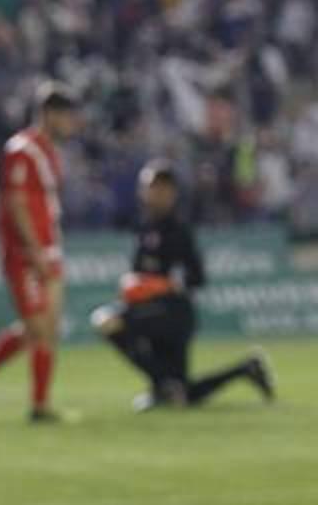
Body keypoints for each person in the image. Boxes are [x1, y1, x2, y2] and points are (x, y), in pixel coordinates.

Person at [90, 161, 275, 410]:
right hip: (148, 310)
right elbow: (138, 275)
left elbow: (197, 277)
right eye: (151, 188)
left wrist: (162, 285)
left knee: (107, 321)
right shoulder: (144, 227)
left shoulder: (178, 230)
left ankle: (164, 385)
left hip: (173, 314)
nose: (156, 194)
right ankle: (245, 369)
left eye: (162, 189)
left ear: (172, 193)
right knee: (184, 394)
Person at [0, 82, 80, 422]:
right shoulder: (22, 150)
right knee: (40, 329)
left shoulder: (48, 150)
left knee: (43, 330)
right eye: (66, 116)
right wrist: (35, 251)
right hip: (27, 255)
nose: (71, 123)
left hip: (49, 249)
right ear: (48, 114)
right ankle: (40, 406)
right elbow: (15, 203)